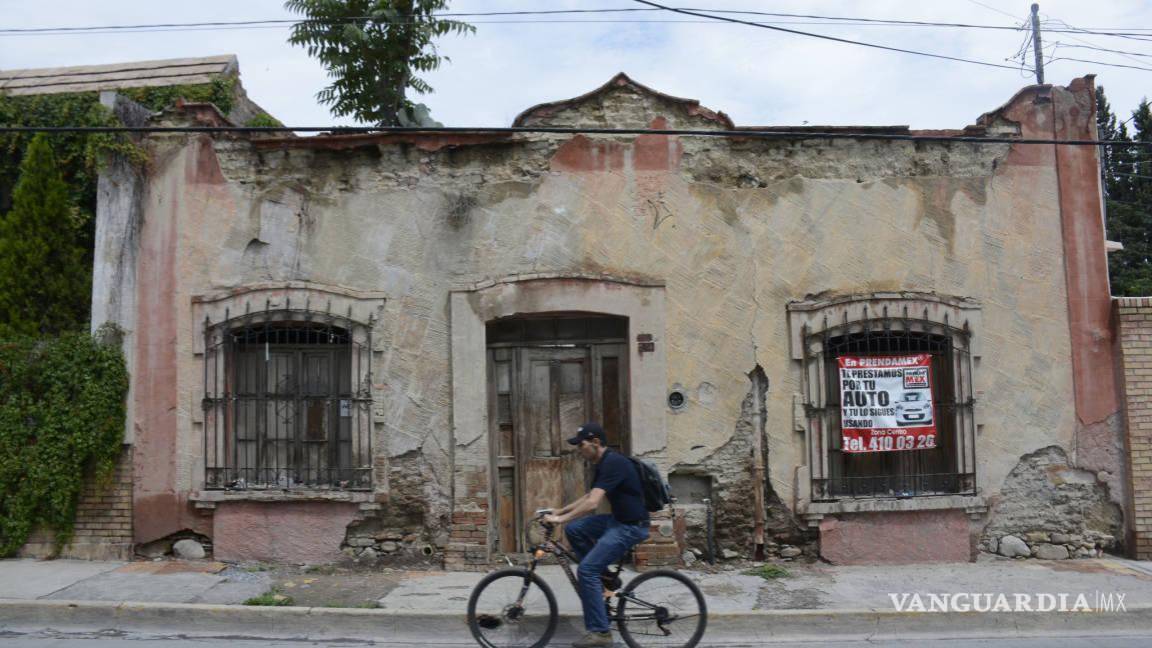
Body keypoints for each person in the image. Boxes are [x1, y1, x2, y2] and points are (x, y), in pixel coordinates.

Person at [544, 422, 650, 648]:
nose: (578, 450)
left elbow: (593, 503)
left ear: (595, 443)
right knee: (575, 529)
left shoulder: (613, 463)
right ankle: (606, 577)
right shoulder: (602, 463)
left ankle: (601, 633)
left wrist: (559, 520)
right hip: (617, 521)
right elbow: (589, 496)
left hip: (630, 527)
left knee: (586, 570)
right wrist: (560, 511)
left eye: (581, 445)